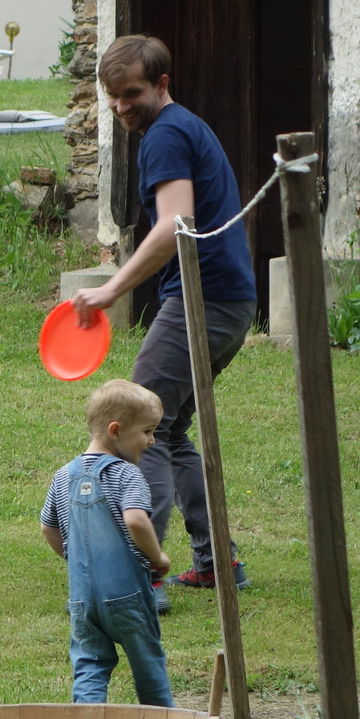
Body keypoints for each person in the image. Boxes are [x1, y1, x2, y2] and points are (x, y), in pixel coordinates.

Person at [71, 35, 256, 608]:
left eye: (133, 93)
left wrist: (111, 289)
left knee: (136, 425)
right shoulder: (179, 130)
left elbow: (176, 222)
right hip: (229, 301)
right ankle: (216, 563)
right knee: (165, 429)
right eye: (113, 97)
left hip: (207, 299)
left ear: (162, 86)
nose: (123, 106)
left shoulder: (168, 134)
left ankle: (141, 575)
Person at [40, 379, 174, 706]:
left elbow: (48, 527)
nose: (152, 440)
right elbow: (136, 519)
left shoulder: (63, 476)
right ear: (116, 430)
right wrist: (157, 556)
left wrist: (72, 558)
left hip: (83, 598)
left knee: (90, 663)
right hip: (127, 596)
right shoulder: (127, 475)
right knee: (148, 663)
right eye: (147, 431)